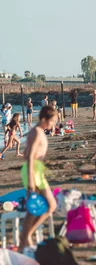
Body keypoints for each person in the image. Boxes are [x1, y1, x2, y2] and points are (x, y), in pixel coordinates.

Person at [18, 106, 58, 252]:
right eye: (52, 121)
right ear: (43, 119)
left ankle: (25, 238)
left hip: (36, 170)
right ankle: (26, 236)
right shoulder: (36, 131)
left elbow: (25, 153)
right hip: (33, 171)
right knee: (50, 205)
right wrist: (30, 180)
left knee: (34, 208)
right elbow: (28, 156)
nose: (53, 124)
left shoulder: (38, 131)